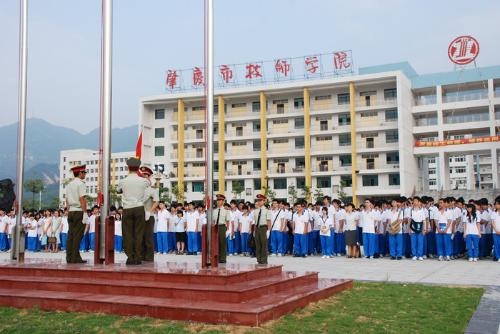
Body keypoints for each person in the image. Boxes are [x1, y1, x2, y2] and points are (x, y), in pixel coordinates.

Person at [117, 158, 150, 265]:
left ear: (128, 167)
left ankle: (130, 257)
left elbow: (118, 191)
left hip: (127, 209)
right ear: (138, 168)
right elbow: (149, 185)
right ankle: (137, 257)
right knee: (139, 233)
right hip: (139, 208)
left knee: (127, 234)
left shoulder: (123, 181)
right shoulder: (144, 181)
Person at [64, 164, 88, 264]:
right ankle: (75, 258)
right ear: (80, 173)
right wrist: (85, 212)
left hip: (71, 211)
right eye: (84, 173)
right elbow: (82, 199)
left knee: (71, 235)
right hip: (78, 211)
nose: (85, 174)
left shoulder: (69, 184)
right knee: (78, 236)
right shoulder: (81, 184)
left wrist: (68, 211)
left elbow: (67, 200)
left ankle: (69, 256)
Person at [139, 166, 159, 262]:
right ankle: (141, 256)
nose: (144, 177)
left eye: (146, 176)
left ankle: (149, 258)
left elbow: (156, 202)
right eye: (142, 176)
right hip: (139, 215)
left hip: (148, 216)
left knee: (148, 238)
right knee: (140, 238)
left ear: (149, 177)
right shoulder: (138, 189)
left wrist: (150, 211)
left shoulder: (152, 189)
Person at [253, 194, 271, 265]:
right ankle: (259, 259)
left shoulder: (267, 210)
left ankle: (264, 260)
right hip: (257, 228)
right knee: (258, 244)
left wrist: (268, 230)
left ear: (264, 201)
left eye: (260, 200)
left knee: (264, 244)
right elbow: (255, 221)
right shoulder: (256, 211)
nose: (259, 202)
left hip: (264, 228)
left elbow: (269, 221)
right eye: (258, 200)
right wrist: (254, 230)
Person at [213, 194, 231, 264]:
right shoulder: (214, 210)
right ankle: (216, 258)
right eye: (217, 200)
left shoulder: (226, 211)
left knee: (222, 244)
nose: (218, 202)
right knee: (216, 244)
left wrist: (228, 230)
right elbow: (213, 221)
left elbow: (228, 221)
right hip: (215, 227)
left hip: (222, 227)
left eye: (220, 200)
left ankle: (223, 259)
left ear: (223, 201)